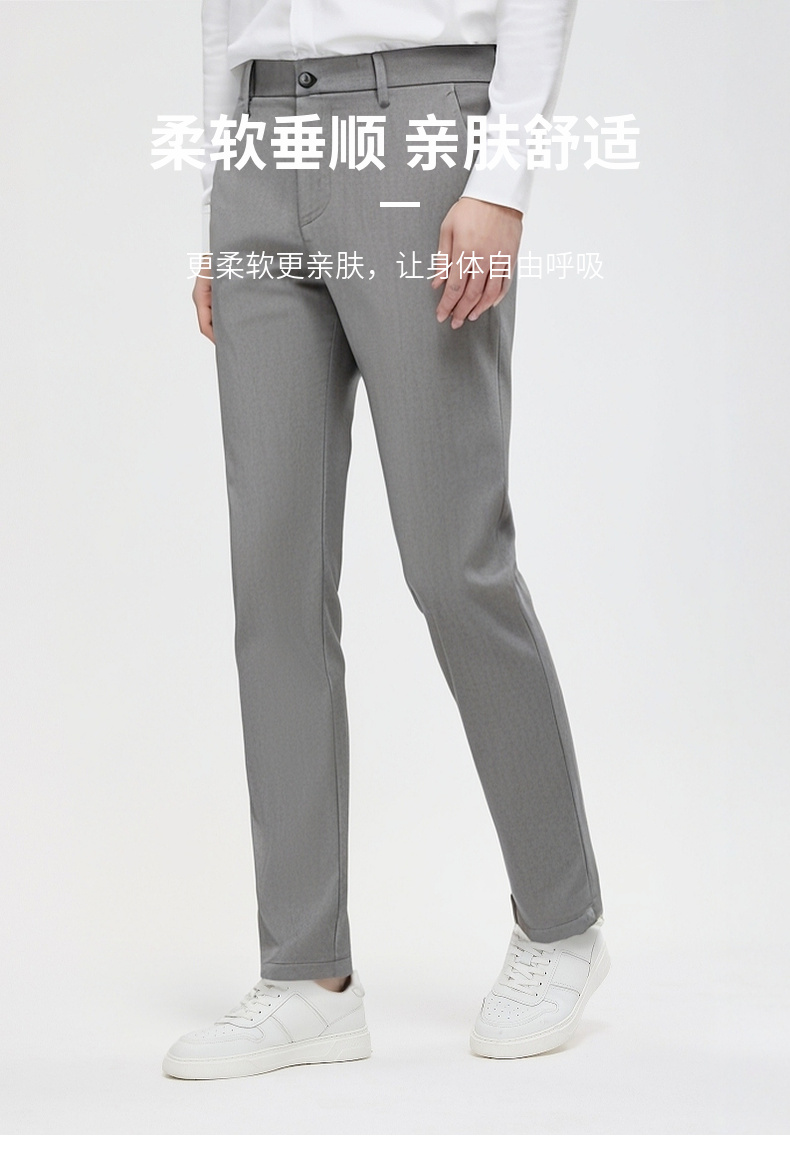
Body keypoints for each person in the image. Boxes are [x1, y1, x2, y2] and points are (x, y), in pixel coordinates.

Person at [163, 0, 609, 1081]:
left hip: (420, 128)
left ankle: (561, 925)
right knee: (273, 580)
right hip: (262, 141)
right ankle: (305, 978)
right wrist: (218, 201)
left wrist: (501, 180)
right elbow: (223, 18)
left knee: (454, 563)